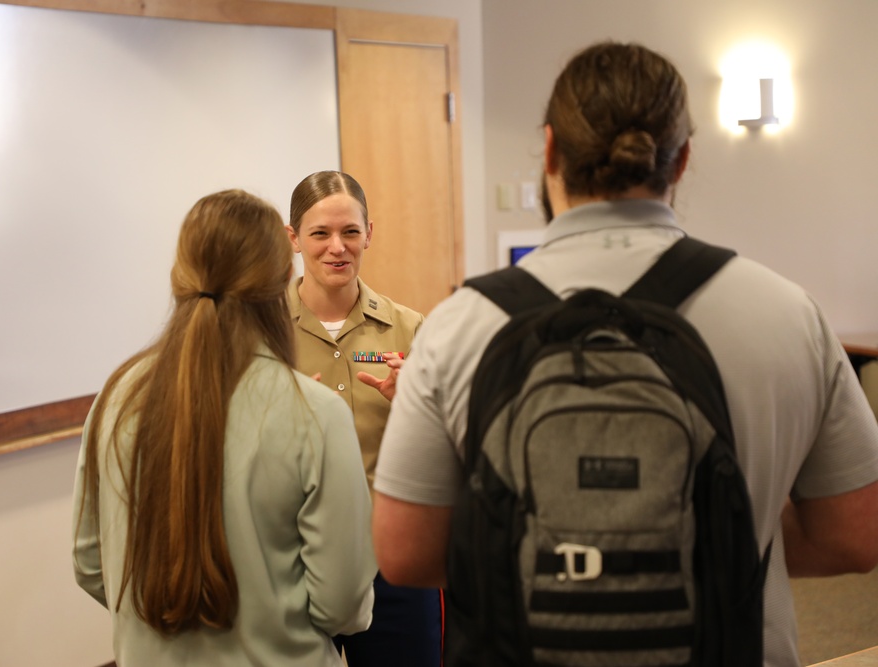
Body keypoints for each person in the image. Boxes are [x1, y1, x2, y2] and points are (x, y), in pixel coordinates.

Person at [371, 41, 878, 667]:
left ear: (551, 150)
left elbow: (404, 553)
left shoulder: (458, 324)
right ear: (683, 159)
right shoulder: (787, 311)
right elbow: (855, 537)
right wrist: (705, 548)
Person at [72, 189, 376, 667]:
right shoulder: (315, 412)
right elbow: (343, 607)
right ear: (281, 282)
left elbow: (91, 564)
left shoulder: (116, 397)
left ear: (180, 276)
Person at [286, 171, 441, 666]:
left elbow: (450, 449)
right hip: (293, 559)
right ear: (293, 239)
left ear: (369, 234)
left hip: (391, 558)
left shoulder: (411, 327)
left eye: (350, 232)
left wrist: (409, 406)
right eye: (320, 234)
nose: (337, 247)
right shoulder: (260, 330)